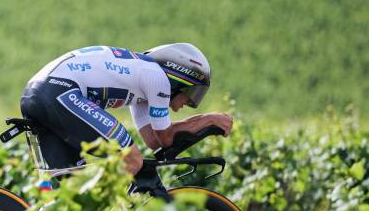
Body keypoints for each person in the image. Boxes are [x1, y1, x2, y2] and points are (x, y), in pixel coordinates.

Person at [19, 43, 233, 175]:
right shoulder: (157, 77)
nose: (187, 104)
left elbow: (154, 141)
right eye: (193, 94)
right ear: (180, 78)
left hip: (39, 93)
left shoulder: (139, 88)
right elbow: (166, 137)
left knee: (69, 184)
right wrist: (208, 120)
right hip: (59, 91)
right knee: (131, 158)